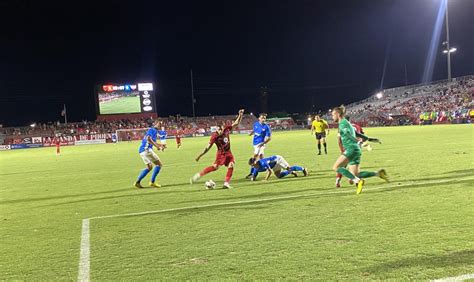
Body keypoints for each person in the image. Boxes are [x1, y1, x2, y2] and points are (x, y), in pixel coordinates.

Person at [331, 105, 388, 194]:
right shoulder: (347, 122)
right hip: (357, 150)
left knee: (336, 167)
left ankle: (358, 181)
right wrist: (369, 139)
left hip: (351, 149)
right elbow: (357, 133)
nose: (332, 117)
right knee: (355, 174)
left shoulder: (342, 124)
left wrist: (356, 141)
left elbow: (348, 134)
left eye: (333, 115)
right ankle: (377, 174)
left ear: (338, 114)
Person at [190, 109, 244, 189]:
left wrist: (240, 115)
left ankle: (226, 183)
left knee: (231, 165)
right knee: (215, 167)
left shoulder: (226, 129)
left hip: (228, 153)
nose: (221, 131)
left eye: (222, 129)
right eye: (219, 130)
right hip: (221, 154)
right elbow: (208, 147)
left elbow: (236, 123)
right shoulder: (214, 136)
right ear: (216, 129)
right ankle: (198, 175)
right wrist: (200, 155)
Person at [133, 120, 163, 188]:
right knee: (159, 164)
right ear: (155, 124)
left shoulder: (153, 131)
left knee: (149, 167)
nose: (160, 125)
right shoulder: (153, 129)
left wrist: (160, 145)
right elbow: (148, 139)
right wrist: (157, 146)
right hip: (146, 150)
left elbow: (150, 141)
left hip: (141, 150)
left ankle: (137, 182)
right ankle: (152, 182)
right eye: (159, 124)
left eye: (161, 124)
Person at [246, 113, 272, 178]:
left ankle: (253, 172)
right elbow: (254, 130)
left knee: (257, 157)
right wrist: (251, 133)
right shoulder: (256, 124)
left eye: (264, 118)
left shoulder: (266, 127)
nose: (263, 119)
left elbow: (269, 138)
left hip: (260, 144)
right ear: (259, 118)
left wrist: (263, 143)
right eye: (262, 118)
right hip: (255, 143)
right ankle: (265, 168)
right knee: (259, 158)